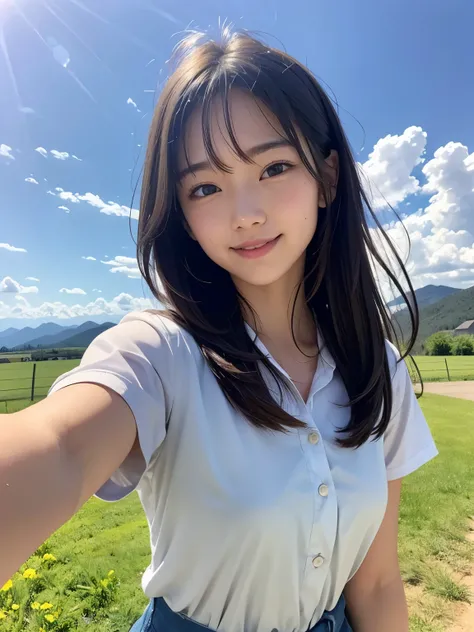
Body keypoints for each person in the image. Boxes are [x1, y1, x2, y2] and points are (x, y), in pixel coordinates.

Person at [0, 27, 438, 632]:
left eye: (275, 166)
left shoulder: (376, 368)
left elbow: (380, 583)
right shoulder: (159, 352)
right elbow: (62, 448)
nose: (245, 213)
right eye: (206, 186)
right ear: (180, 209)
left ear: (328, 178)